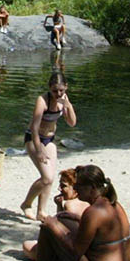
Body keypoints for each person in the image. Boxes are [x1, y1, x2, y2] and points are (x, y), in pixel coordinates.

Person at [20, 164, 130, 261]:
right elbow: (99, 232)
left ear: (92, 188)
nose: (76, 189)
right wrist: (70, 221)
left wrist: (54, 228)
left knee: (48, 228)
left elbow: (75, 253)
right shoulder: (113, 204)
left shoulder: (94, 212)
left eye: (79, 186)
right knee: (60, 221)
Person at [20, 71, 77, 220]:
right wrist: (39, 150)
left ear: (66, 87)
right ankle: (26, 204)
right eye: (54, 90)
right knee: (46, 178)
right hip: (34, 138)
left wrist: (68, 105)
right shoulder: (42, 100)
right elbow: (34, 127)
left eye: (61, 90)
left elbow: (72, 123)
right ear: (49, 88)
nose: (58, 93)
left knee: (50, 178)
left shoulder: (63, 99)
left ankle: (41, 211)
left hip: (50, 139)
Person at [23, 169, 90, 260]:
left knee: (27, 245)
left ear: (76, 188)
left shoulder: (69, 205)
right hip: (84, 250)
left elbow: (62, 235)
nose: (59, 188)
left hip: (69, 252)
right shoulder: (88, 202)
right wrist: (59, 205)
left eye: (63, 186)